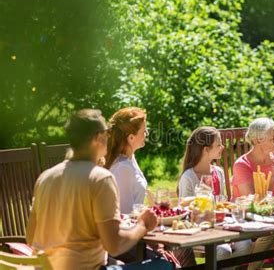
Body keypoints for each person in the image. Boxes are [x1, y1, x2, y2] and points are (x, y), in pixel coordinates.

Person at [26, 109, 158, 269]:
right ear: (97, 138)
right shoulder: (100, 179)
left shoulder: (45, 178)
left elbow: (31, 236)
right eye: (107, 132)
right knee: (164, 265)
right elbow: (114, 245)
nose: (110, 136)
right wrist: (142, 225)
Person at [178, 126, 252, 263]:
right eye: (218, 145)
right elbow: (183, 213)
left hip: (221, 226)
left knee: (246, 245)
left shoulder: (218, 172)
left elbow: (221, 204)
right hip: (198, 231)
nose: (222, 147)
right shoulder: (189, 177)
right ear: (206, 150)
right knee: (223, 251)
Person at [231, 118, 274, 270]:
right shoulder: (242, 164)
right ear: (257, 140)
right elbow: (251, 201)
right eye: (272, 138)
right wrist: (273, 178)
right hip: (246, 217)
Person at [105, 107, 152, 214]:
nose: (147, 134)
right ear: (131, 138)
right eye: (144, 131)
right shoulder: (123, 167)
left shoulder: (129, 158)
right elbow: (125, 213)